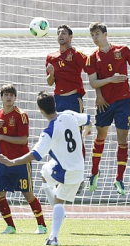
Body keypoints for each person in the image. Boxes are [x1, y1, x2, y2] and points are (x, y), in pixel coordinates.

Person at [0, 91, 92, 246]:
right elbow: (88, 118)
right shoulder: (69, 114)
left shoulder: (48, 132)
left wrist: (12, 162)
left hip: (65, 171)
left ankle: (54, 236)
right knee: (44, 173)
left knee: (58, 201)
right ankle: (57, 209)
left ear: (40, 110)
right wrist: (88, 128)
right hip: (79, 169)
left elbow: (34, 154)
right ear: (55, 104)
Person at [86, 22, 130, 195]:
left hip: (123, 101)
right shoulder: (92, 57)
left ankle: (119, 178)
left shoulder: (122, 50)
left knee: (122, 139)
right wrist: (105, 86)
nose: (95, 38)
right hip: (104, 103)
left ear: (105, 34)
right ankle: (94, 172)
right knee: (100, 135)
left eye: (98, 33)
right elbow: (93, 82)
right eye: (92, 35)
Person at [0, 84, 47, 234]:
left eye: (11, 94)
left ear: (15, 97)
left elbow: (23, 140)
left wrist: (1, 136)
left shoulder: (21, 115)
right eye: (6, 94)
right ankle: (10, 227)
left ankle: (42, 225)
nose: (9, 97)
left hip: (21, 161)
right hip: (3, 161)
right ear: (1, 97)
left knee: (27, 194)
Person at [46, 24, 88, 193]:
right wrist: (51, 73)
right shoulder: (51, 56)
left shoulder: (77, 54)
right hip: (57, 101)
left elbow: (91, 70)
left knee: (76, 136)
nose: (60, 35)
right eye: (58, 33)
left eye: (64, 33)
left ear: (71, 37)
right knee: (57, 136)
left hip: (73, 100)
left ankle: (80, 175)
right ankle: (59, 172)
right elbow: (50, 82)